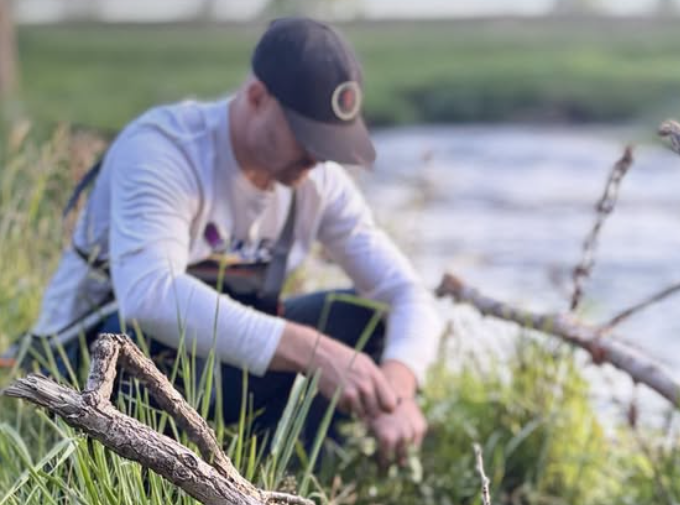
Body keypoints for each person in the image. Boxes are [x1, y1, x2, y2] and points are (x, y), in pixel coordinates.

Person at [23, 17, 442, 463]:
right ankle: (135, 483)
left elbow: (406, 294)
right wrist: (312, 351)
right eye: (306, 137)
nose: (318, 158)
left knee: (365, 318)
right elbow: (148, 295)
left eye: (330, 142)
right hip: (89, 359)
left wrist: (392, 390)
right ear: (257, 97)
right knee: (149, 336)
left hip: (215, 370)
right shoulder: (162, 149)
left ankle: (292, 478)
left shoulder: (318, 181)